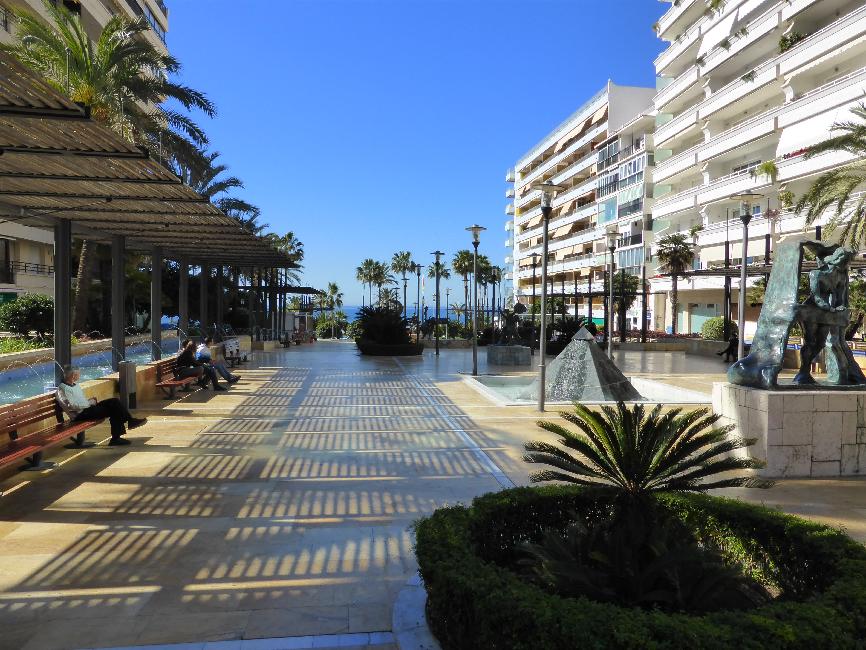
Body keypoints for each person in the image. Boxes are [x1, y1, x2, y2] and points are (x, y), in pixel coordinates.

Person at [56, 366, 146, 446]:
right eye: (78, 374)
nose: (79, 376)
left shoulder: (74, 385)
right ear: (73, 376)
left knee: (114, 401)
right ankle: (118, 436)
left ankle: (128, 423)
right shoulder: (63, 389)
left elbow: (79, 402)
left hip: (87, 410)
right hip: (80, 415)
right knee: (114, 409)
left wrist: (90, 401)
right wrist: (89, 403)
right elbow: (72, 406)